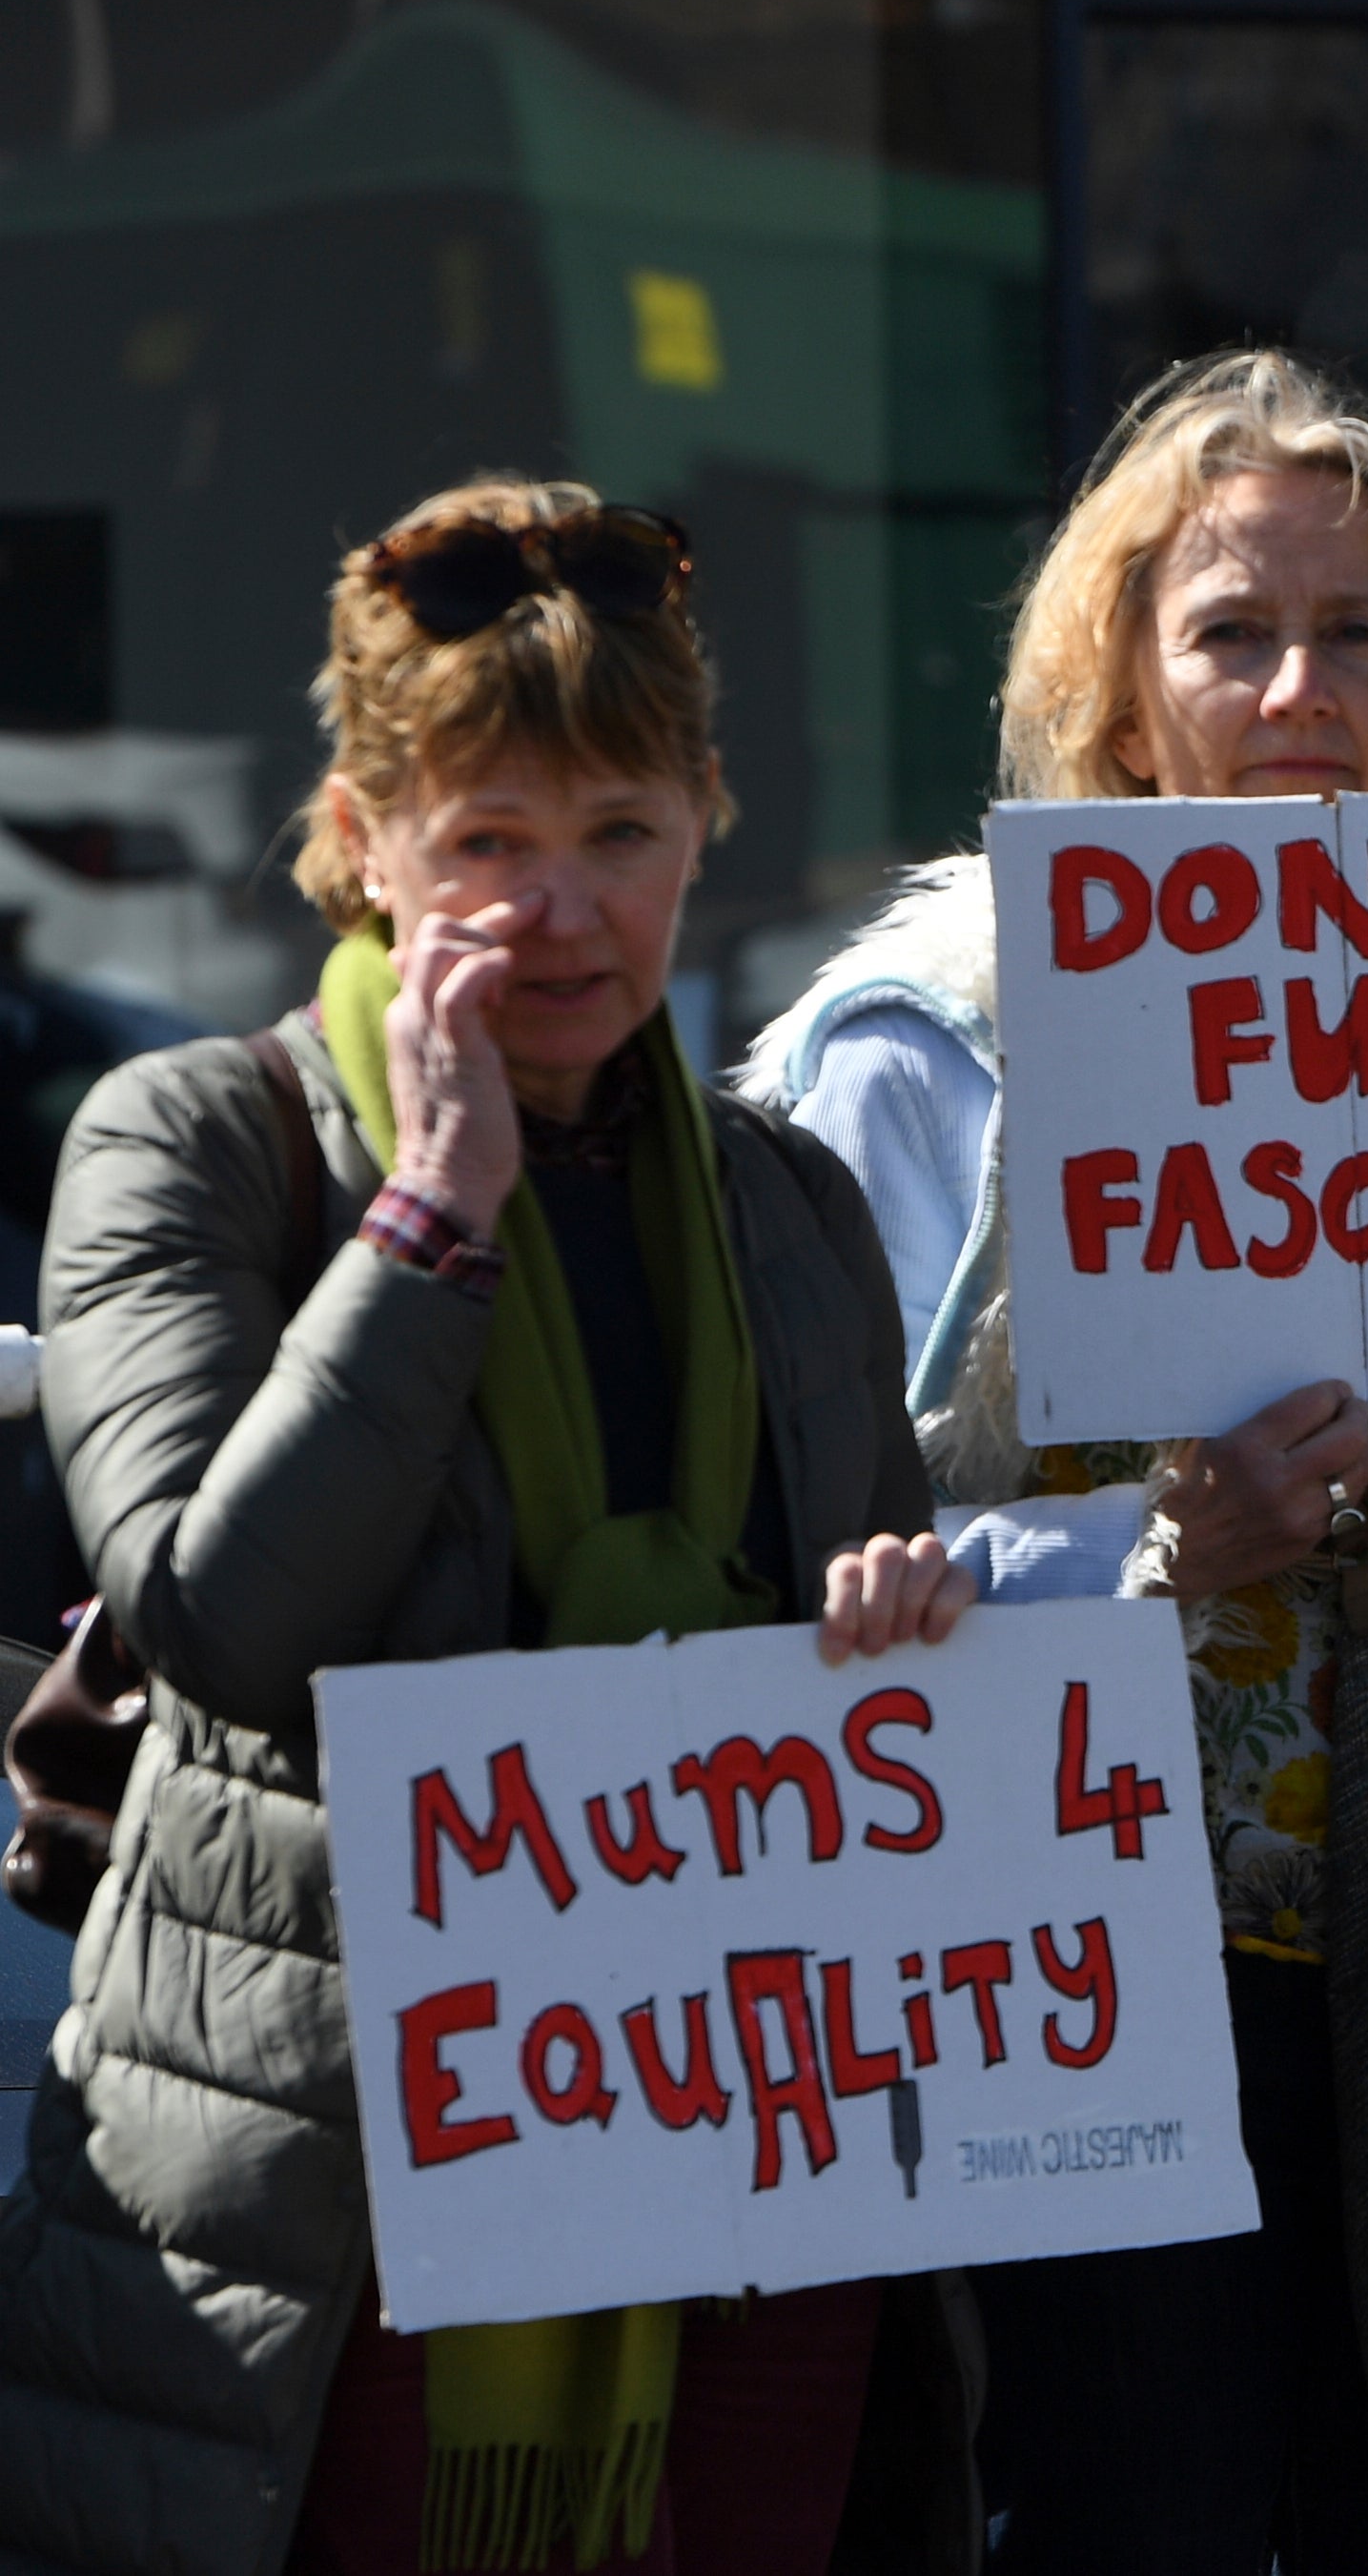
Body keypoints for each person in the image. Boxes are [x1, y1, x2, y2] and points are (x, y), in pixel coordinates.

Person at [746, 348, 1368, 2576]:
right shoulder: (936, 1043)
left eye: (1360, 631)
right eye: (1232, 632)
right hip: (1080, 2002)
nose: (1301, 691)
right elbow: (802, 1560)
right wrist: (1151, 1549)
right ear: (1121, 697)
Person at [1, 480, 973, 2572]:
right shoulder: (196, 1141)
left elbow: (873, 1653)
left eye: (618, 833)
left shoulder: (786, 1202)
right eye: (487, 845)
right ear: (364, 842)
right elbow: (220, 1620)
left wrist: (898, 1625)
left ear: (704, 825)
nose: (560, 911)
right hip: (344, 2196)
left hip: (759, 2167)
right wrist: (431, 1219)